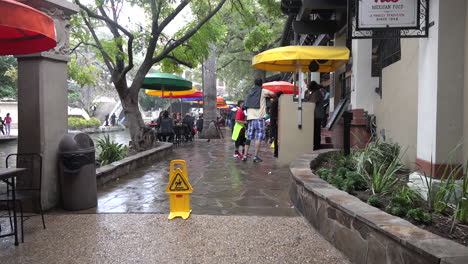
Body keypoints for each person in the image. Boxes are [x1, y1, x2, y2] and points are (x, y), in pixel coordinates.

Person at [241, 79, 274, 162]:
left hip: (250, 119)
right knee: (258, 138)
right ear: (261, 84)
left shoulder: (250, 92)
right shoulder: (262, 91)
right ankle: (255, 156)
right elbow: (273, 93)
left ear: (254, 83)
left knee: (248, 137)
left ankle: (244, 155)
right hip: (259, 118)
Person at [306, 81, 325, 150]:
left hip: (317, 115)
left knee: (316, 131)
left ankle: (317, 145)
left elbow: (312, 102)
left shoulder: (317, 93)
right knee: (314, 130)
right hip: (314, 115)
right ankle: (315, 144)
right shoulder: (313, 93)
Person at [270, 91, 283, 157]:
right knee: (277, 137)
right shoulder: (277, 101)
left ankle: (276, 152)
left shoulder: (274, 101)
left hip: (274, 121)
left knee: (276, 137)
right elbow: (275, 113)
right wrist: (277, 120)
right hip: (276, 122)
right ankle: (276, 152)